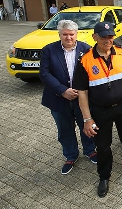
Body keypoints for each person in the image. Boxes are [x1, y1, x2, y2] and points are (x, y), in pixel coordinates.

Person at [73, 22, 122, 198]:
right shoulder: (85, 61)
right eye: (103, 36)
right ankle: (104, 176)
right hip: (100, 111)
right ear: (94, 37)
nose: (108, 40)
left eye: (110, 36)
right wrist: (87, 119)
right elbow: (82, 93)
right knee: (103, 146)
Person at [39, 20, 96, 175]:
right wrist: (63, 90)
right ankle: (70, 155)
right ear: (59, 34)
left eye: (71, 34)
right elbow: (44, 74)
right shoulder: (48, 50)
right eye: (65, 34)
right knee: (64, 129)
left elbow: (93, 72)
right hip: (58, 98)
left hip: (82, 98)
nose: (68, 37)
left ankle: (90, 150)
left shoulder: (87, 49)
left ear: (76, 34)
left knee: (86, 125)